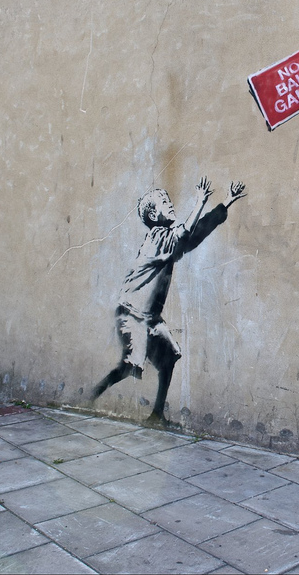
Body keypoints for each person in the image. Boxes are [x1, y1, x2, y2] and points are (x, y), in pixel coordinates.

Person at [91, 177, 247, 428]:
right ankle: (90, 397)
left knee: (169, 359)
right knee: (130, 365)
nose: (170, 203)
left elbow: (197, 231)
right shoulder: (157, 238)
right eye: (164, 201)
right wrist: (199, 201)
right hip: (132, 313)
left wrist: (226, 201)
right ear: (154, 215)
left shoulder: (170, 241)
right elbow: (185, 231)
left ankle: (156, 415)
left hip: (150, 318)